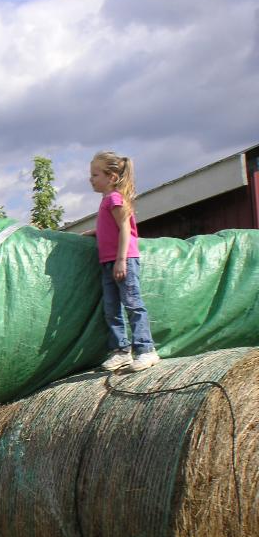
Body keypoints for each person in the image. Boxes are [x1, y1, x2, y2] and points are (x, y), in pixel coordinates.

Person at [90, 151, 160, 372]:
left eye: (95, 175)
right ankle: (121, 351)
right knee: (111, 308)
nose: (91, 179)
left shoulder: (115, 198)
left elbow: (125, 229)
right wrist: (94, 233)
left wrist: (121, 260)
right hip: (108, 261)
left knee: (132, 304)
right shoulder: (107, 200)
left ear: (111, 177)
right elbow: (111, 227)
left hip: (123, 260)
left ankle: (146, 350)